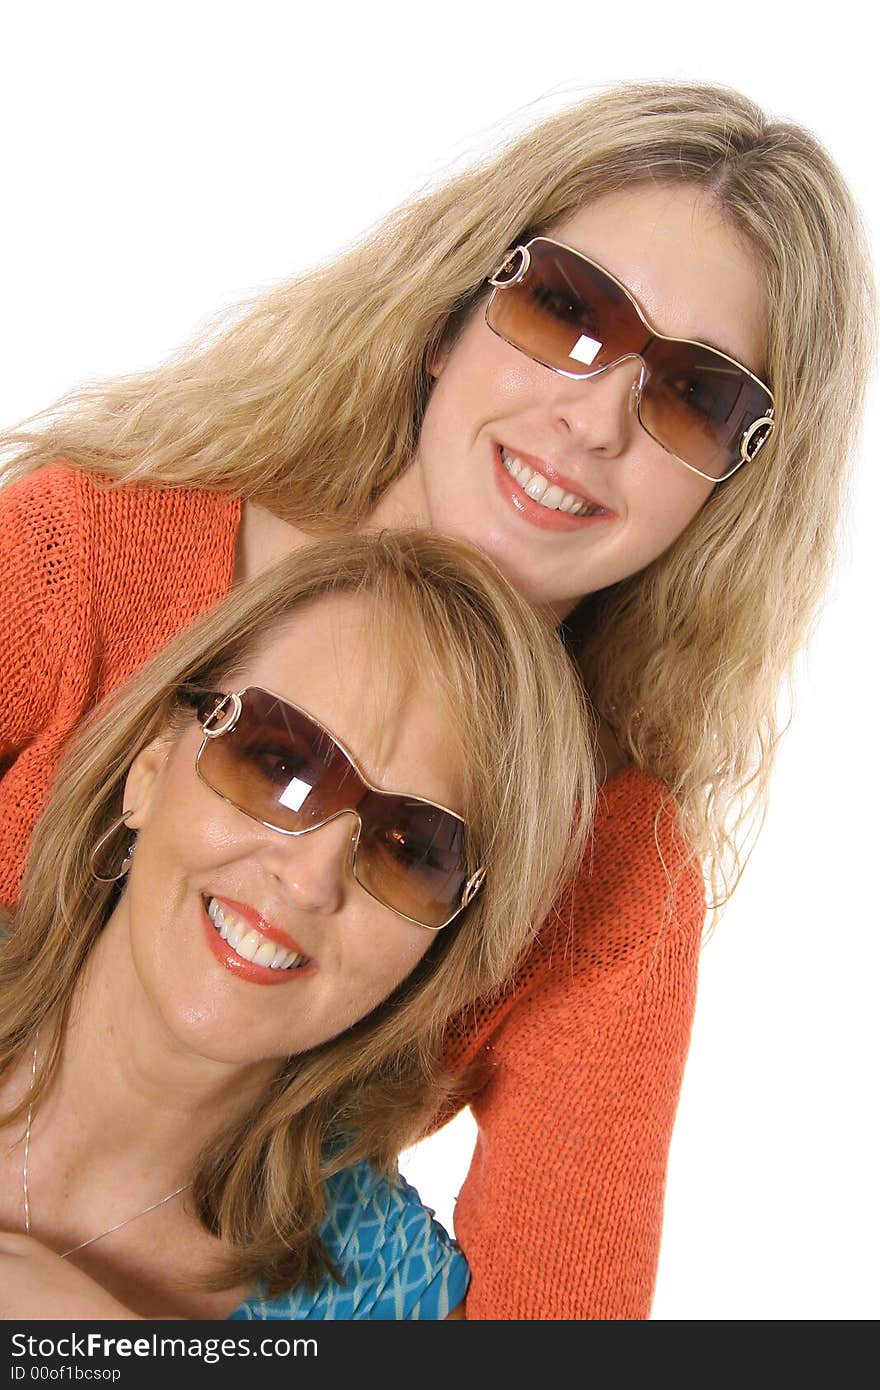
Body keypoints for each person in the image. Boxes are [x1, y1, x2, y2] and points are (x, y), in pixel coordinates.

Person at [0, 80, 874, 1319]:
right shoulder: (82, 555)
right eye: (566, 309)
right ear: (449, 311)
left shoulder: (614, 877)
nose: (591, 418)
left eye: (693, 395)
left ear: (733, 491)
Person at [0, 530, 593, 1319]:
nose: (311, 880)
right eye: (280, 764)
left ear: (438, 947)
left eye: (410, 850)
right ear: (150, 769)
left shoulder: (395, 1305)